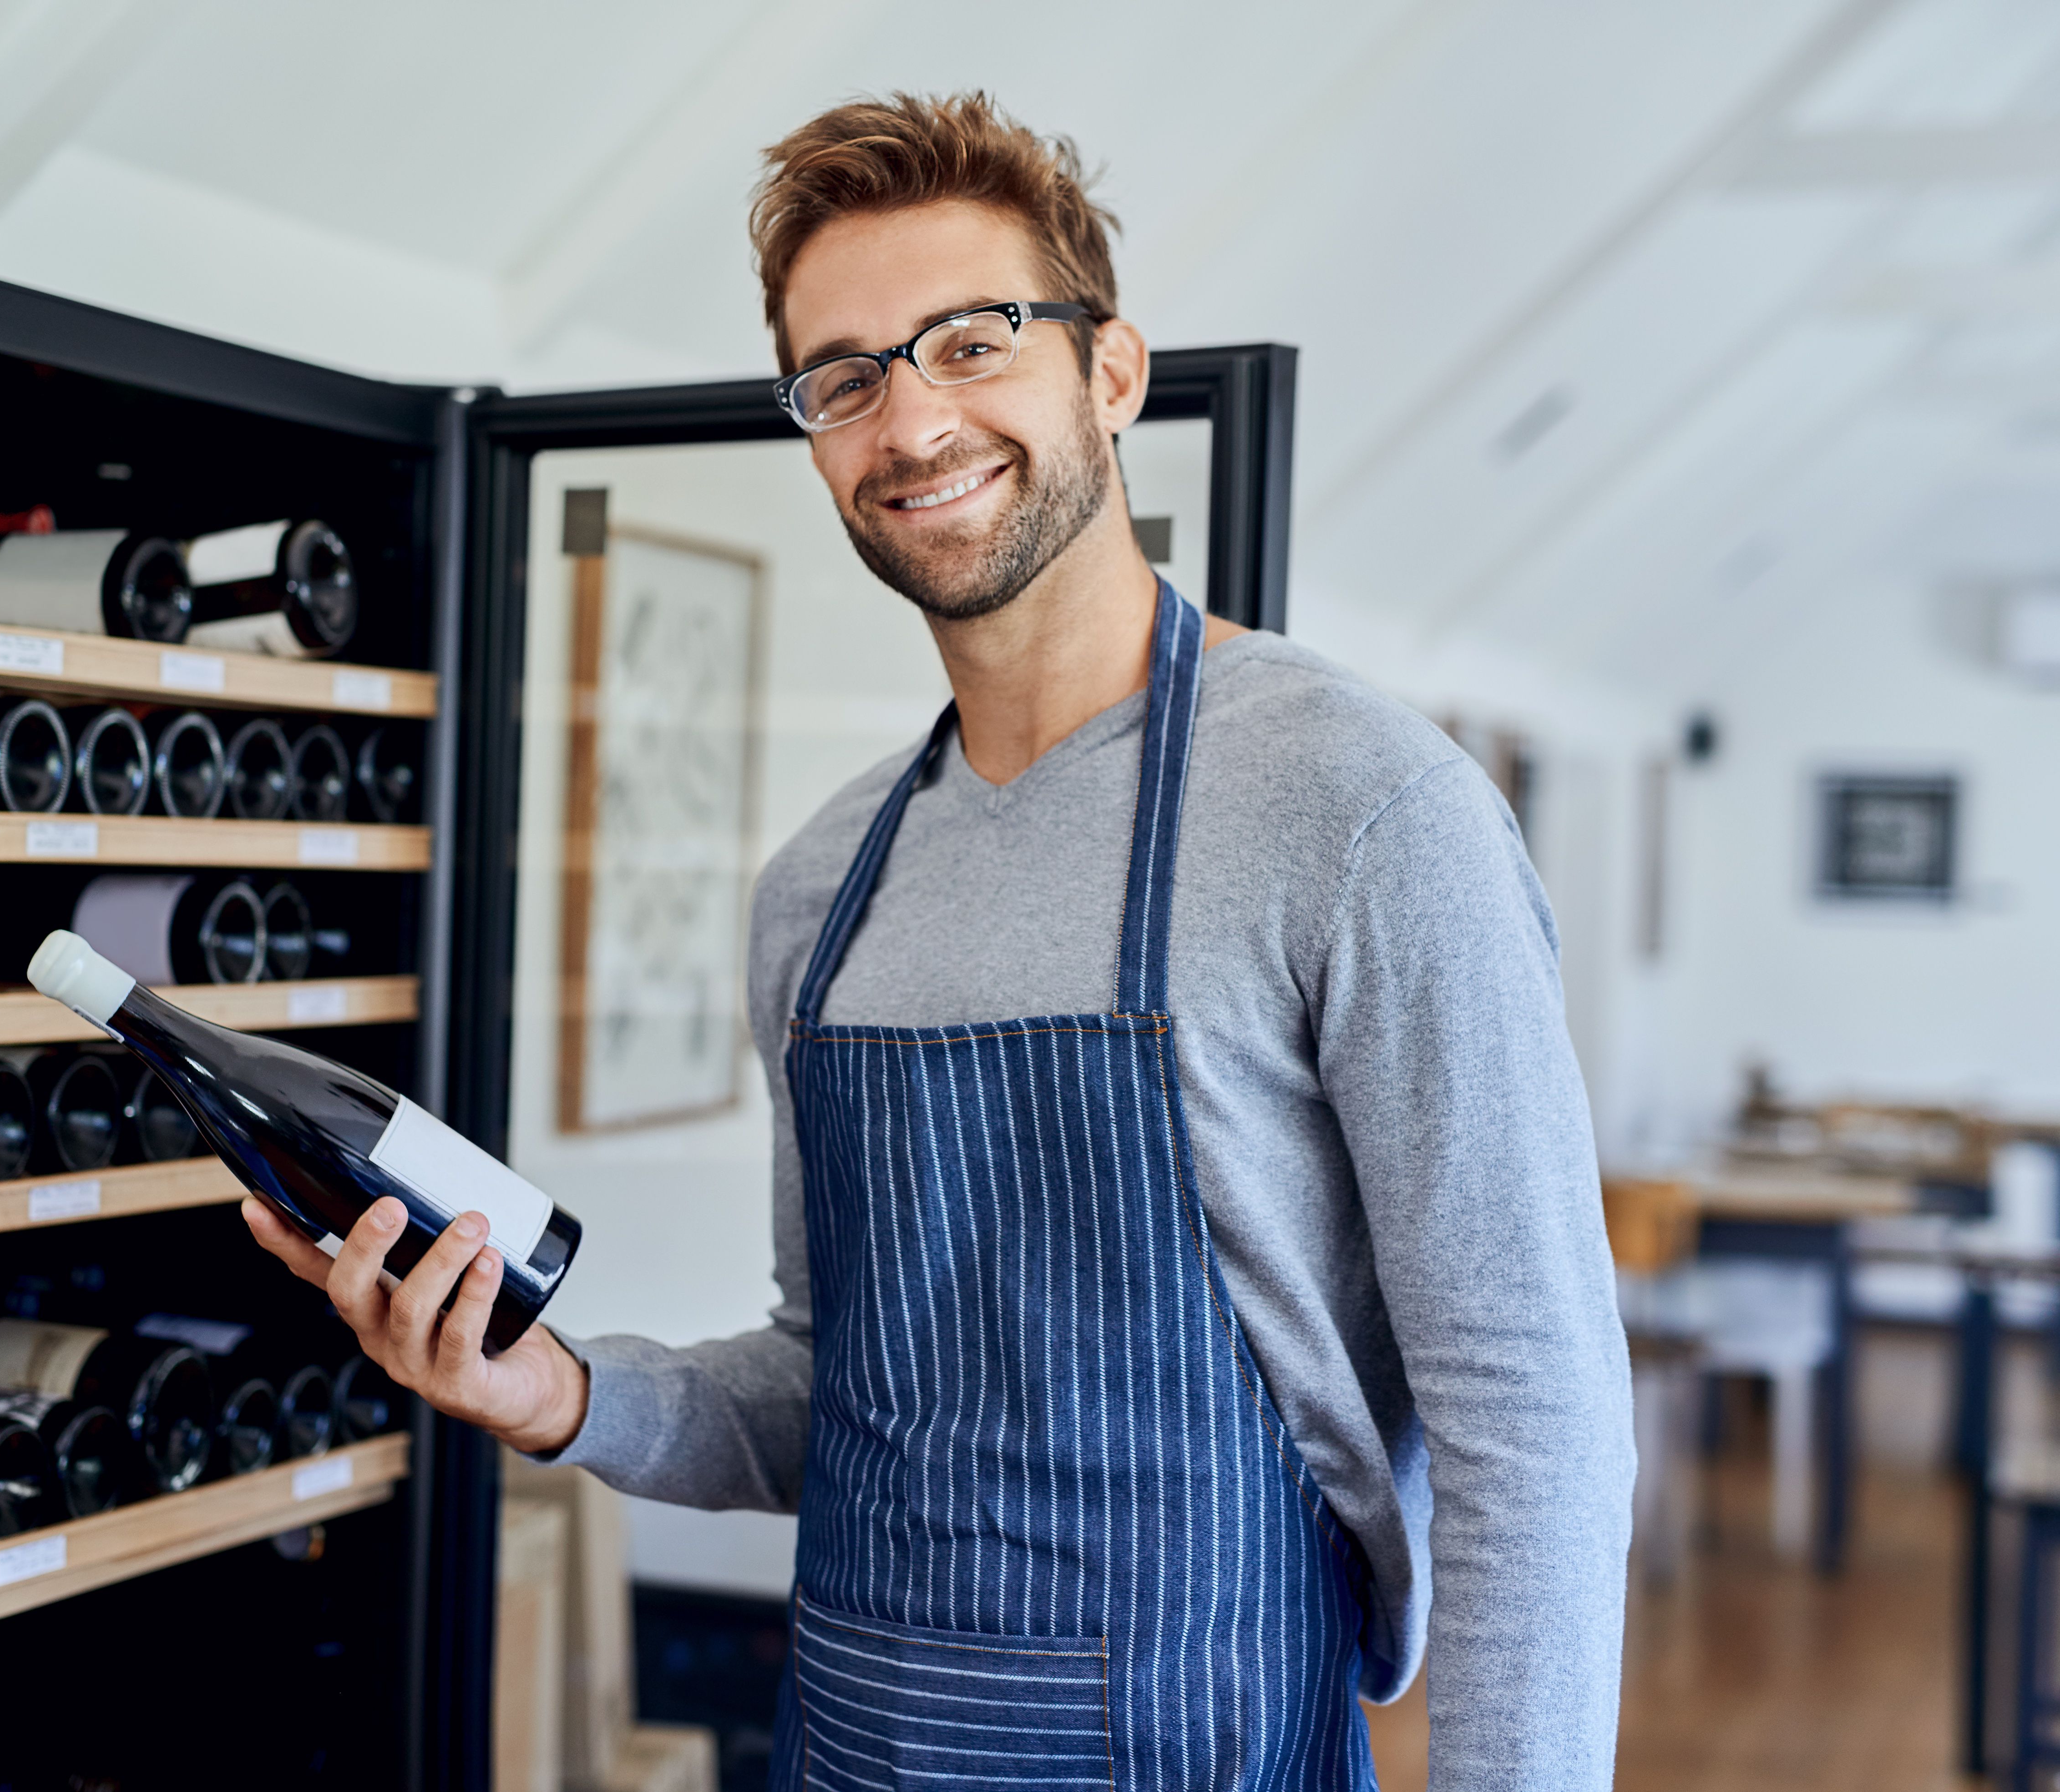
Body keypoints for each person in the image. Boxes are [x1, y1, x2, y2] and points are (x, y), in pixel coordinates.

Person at [245, 91, 1634, 1791]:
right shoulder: (819, 889)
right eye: (845, 377)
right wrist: (561, 1394)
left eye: (970, 343)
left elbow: (1533, 1425)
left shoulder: (1365, 812)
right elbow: (832, 1384)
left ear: (1109, 373)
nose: (910, 419)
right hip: (850, 1746)